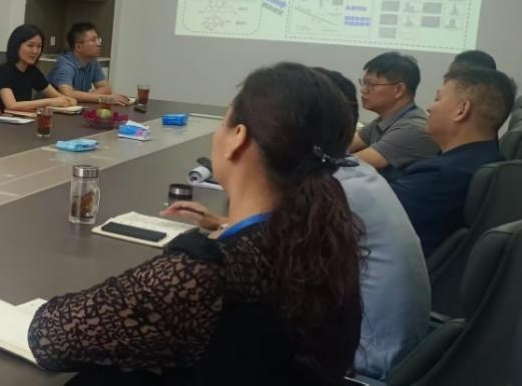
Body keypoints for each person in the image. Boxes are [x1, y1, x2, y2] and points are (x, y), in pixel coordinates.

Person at [28, 63, 363, 385]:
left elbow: (49, 338)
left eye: (224, 122)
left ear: (238, 138)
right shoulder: (324, 241)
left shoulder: (207, 273)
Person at [164, 67, 429, 379]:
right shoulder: (348, 176)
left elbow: (250, 261)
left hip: (366, 357)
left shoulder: (334, 192)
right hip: (372, 346)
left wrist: (213, 241)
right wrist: (224, 222)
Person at [390, 67, 515, 256]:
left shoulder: (441, 175)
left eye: (438, 99)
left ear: (461, 110)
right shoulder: (493, 162)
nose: (429, 107)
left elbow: (362, 217)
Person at [349, 51, 438, 181]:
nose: (363, 90)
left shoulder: (411, 128)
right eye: (364, 83)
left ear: (399, 90)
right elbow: (345, 145)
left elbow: (350, 166)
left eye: (371, 84)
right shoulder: (385, 120)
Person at [0, 24, 77, 112]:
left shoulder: (33, 71)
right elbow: (11, 105)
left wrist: (68, 100)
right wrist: (49, 102)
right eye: (30, 45)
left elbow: (57, 96)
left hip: (21, 120)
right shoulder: (3, 71)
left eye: (39, 46)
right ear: (16, 46)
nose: (35, 51)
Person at [46, 22, 131, 105]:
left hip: (75, 107)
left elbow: (106, 89)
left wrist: (84, 96)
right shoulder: (65, 65)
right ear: (78, 47)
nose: (98, 44)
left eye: (98, 39)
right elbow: (67, 94)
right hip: (50, 109)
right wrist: (103, 98)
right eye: (93, 40)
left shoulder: (92, 62)